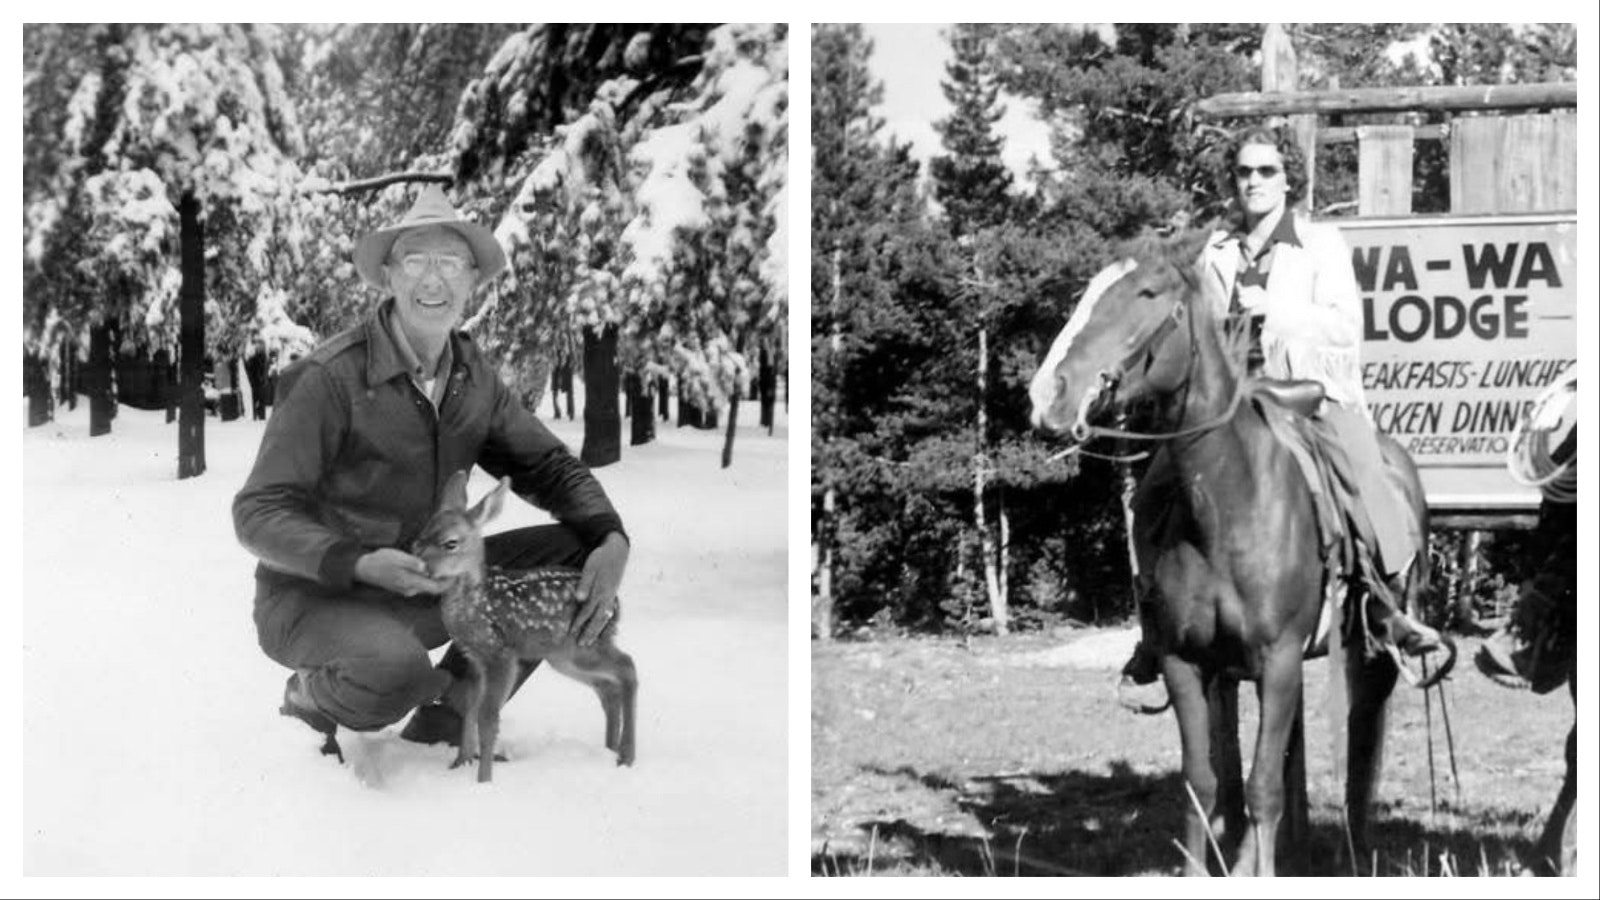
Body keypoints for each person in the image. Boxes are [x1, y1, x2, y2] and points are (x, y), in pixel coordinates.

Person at [234, 185, 630, 758]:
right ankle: (310, 696)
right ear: (388, 276)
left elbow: (547, 464)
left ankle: (451, 717)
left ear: (472, 280)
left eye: (450, 263)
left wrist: (610, 535)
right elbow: (258, 511)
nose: (432, 280)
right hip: (316, 599)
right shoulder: (328, 378)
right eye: (416, 261)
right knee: (395, 672)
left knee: (572, 552)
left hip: (427, 590)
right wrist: (360, 562)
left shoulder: (473, 378)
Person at [1118, 124, 1439, 711]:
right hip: (1229, 410)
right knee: (1150, 496)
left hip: (1308, 396)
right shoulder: (1217, 254)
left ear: (1289, 177)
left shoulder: (1322, 245)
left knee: (1367, 473)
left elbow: (1346, 325)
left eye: (1266, 171)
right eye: (1244, 172)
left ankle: (1386, 608)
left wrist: (1279, 311)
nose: (1254, 182)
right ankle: (1154, 629)